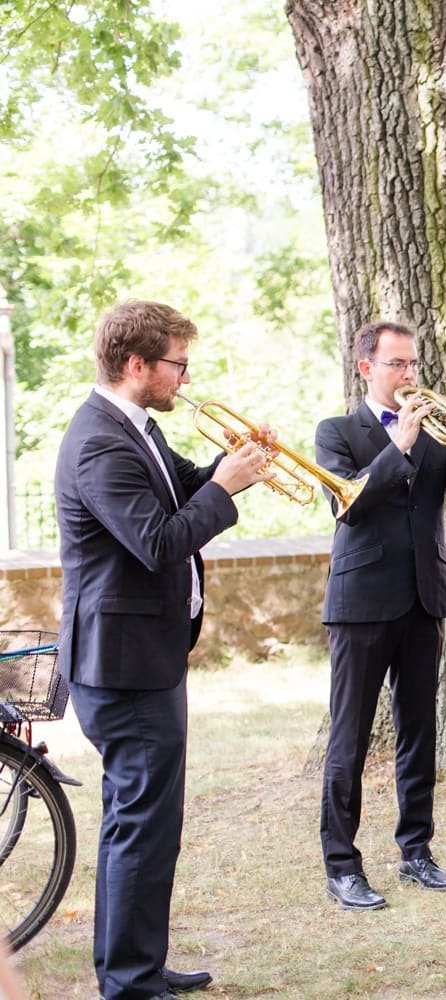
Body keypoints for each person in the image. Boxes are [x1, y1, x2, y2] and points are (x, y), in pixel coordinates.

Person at [55, 300, 273, 1000]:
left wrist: (231, 462)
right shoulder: (98, 442)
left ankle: (139, 964)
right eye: (177, 364)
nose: (186, 377)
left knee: (148, 823)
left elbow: (182, 487)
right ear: (136, 364)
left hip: (147, 656)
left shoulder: (136, 429)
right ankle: (129, 980)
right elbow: (157, 541)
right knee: (140, 825)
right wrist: (226, 489)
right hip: (121, 665)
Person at [315, 320, 446, 910]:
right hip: (361, 604)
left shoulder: (438, 437)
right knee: (350, 736)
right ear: (366, 368)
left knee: (419, 732)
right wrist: (399, 446)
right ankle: (342, 864)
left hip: (424, 598)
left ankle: (416, 850)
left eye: (413, 364)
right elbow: (349, 506)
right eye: (396, 364)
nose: (409, 375)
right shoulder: (337, 432)